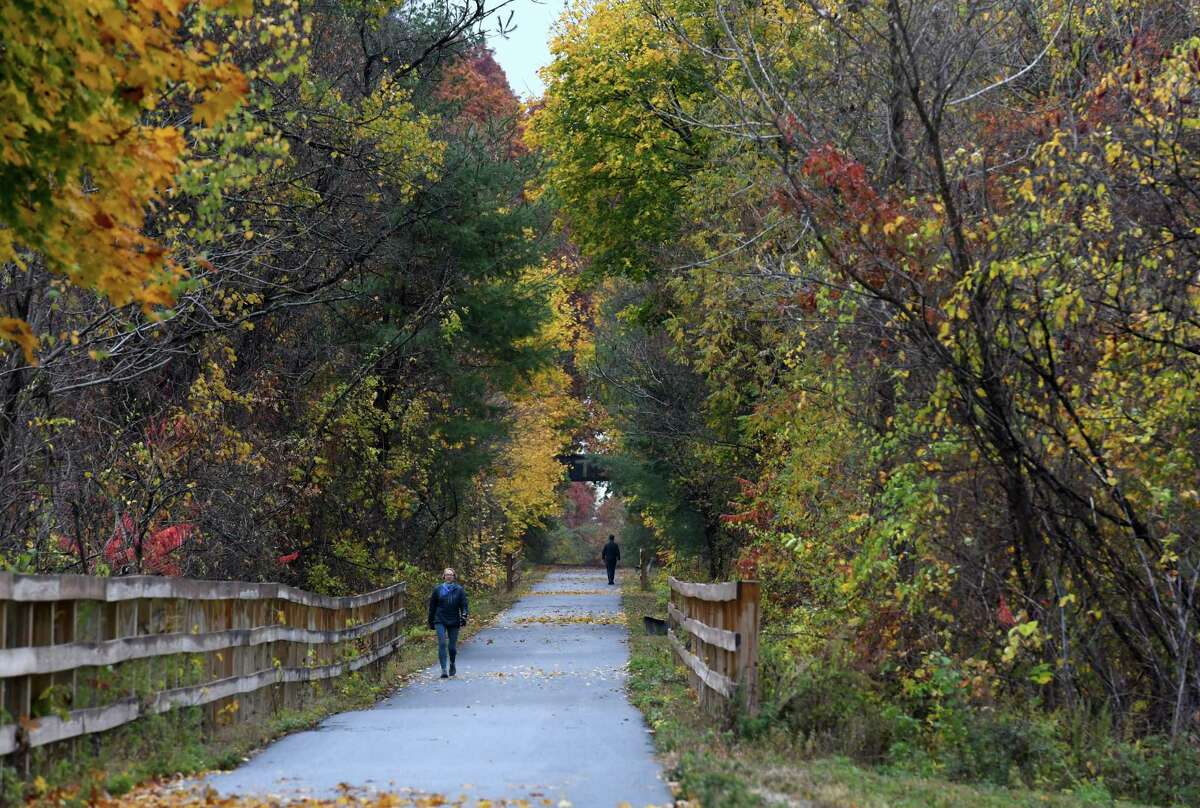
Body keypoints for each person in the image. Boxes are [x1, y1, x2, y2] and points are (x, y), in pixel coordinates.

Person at [427, 567, 468, 678]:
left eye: (451, 574)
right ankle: (444, 669)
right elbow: (432, 607)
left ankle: (452, 663)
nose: (449, 576)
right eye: (447, 574)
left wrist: (464, 616)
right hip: (440, 619)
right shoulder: (438, 589)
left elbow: (464, 605)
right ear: (443, 576)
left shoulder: (459, 590)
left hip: (454, 619)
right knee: (442, 643)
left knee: (452, 646)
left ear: (454, 577)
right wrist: (430, 621)